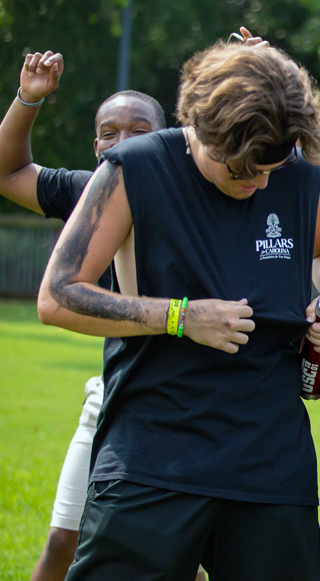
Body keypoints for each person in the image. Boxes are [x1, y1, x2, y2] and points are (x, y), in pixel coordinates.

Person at [37, 38, 320, 580]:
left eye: (270, 171)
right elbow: (59, 295)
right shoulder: (134, 168)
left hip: (270, 460)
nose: (259, 183)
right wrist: (180, 317)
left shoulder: (300, 174)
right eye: (242, 172)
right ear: (200, 131)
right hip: (153, 453)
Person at [0, 50, 174, 581]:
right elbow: (7, 172)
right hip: (113, 398)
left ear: (168, 141)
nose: (120, 142)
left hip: (189, 404)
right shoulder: (88, 191)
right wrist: (28, 98)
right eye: (107, 133)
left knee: (181, 559)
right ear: (94, 144)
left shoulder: (195, 198)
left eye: (138, 130)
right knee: (62, 542)